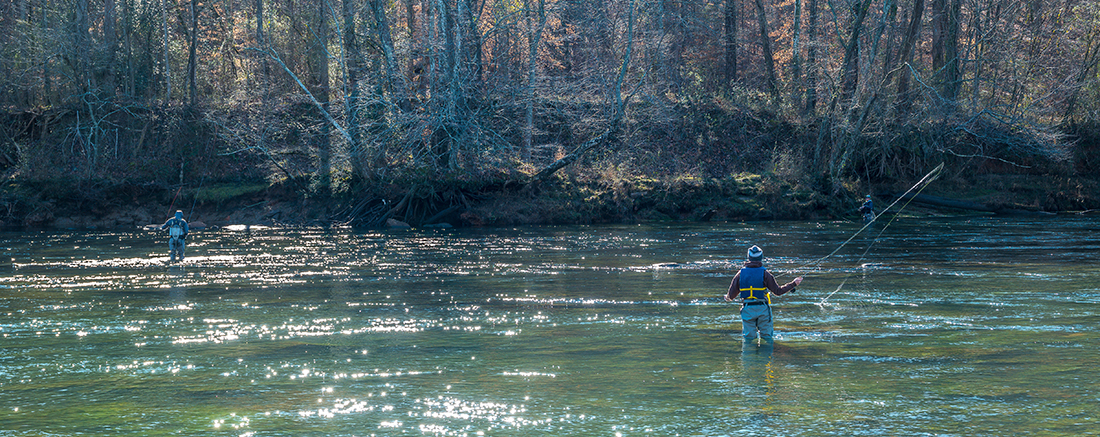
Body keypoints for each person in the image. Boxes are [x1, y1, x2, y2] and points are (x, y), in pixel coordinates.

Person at [724, 245, 803, 343]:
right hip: (763, 309)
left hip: (747, 309)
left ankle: (749, 357)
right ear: (761, 258)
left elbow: (731, 296)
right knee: (767, 338)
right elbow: (778, 292)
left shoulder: (740, 274)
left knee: (748, 339)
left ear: (749, 258)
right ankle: (765, 357)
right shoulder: (766, 273)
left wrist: (727, 298)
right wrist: (794, 283)